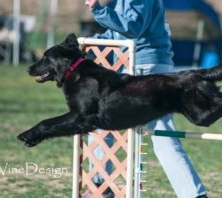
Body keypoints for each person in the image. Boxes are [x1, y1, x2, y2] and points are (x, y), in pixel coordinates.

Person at [84, 0, 208, 197]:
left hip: (143, 68)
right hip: (142, 68)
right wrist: (86, 43)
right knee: (162, 136)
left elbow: (131, 28)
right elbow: (116, 34)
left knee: (102, 120)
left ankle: (101, 186)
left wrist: (98, 9)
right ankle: (193, 194)